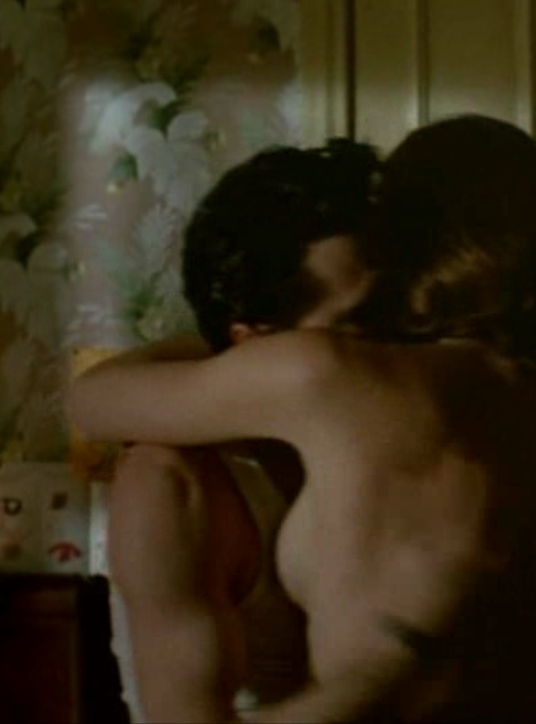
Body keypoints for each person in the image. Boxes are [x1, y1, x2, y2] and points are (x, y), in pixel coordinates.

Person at [68, 115, 536, 722]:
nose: (390, 338)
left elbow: (91, 400)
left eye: (393, 302)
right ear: (256, 341)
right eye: (362, 322)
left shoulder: (383, 394)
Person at [97, 140, 382, 723]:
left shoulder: (392, 433)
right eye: (358, 328)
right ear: (253, 342)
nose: (395, 352)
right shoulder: (174, 484)